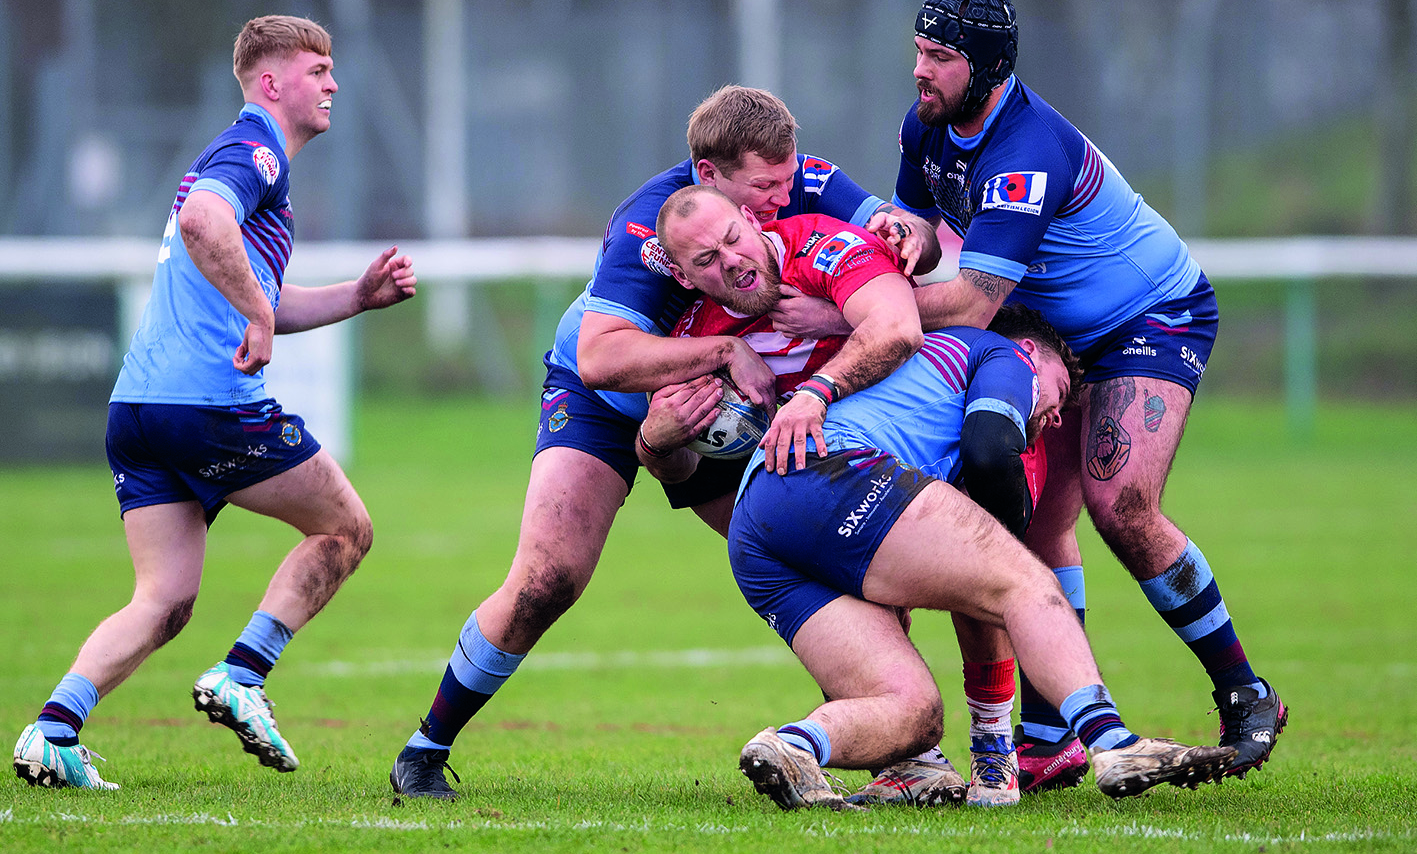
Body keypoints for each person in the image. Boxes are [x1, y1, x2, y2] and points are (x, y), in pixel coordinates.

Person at [388, 86, 931, 799]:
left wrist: (905, 237)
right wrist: (717, 355)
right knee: (547, 578)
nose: (781, 198)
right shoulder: (647, 228)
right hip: (609, 402)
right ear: (710, 178)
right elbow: (599, 358)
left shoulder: (801, 180)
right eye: (763, 188)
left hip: (723, 417)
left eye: (785, 179)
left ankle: (902, 753)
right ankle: (425, 748)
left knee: (830, 556)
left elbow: (898, 244)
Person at [886, 0, 1285, 791]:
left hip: (1147, 317)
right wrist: (893, 242)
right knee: (1037, 519)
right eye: (918, 50)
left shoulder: (1026, 147)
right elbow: (925, 231)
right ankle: (1047, 738)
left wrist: (869, 319)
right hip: (1050, 331)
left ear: (988, 67)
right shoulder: (926, 123)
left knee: (1120, 506)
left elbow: (968, 299)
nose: (920, 70)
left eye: (939, 57)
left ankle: (1246, 689)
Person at [12, 15, 418, 790]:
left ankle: (52, 730)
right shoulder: (254, 148)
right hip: (206, 403)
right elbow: (205, 223)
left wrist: (355, 298)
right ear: (270, 83)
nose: (333, 82)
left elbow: (247, 278)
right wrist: (259, 319)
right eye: (317, 68)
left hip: (139, 408)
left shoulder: (241, 158)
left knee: (163, 598)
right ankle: (243, 675)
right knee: (346, 526)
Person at [724, 302, 1235, 810]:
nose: (1057, 415)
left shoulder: (937, 399)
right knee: (1028, 584)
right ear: (1032, 352)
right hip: (832, 467)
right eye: (1060, 389)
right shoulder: (1002, 354)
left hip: (755, 531)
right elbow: (990, 447)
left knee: (912, 712)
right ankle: (1113, 743)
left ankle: (793, 745)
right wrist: (1007, 545)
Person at [639, 186, 1054, 806]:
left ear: (753, 219)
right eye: (704, 260)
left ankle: (1002, 754)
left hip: (948, 418)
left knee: (991, 565)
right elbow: (686, 471)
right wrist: (654, 441)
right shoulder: (696, 336)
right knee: (867, 601)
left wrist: (825, 357)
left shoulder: (823, 246)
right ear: (681, 273)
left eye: (732, 238)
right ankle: (915, 761)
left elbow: (899, 325)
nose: (727, 260)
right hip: (833, 477)